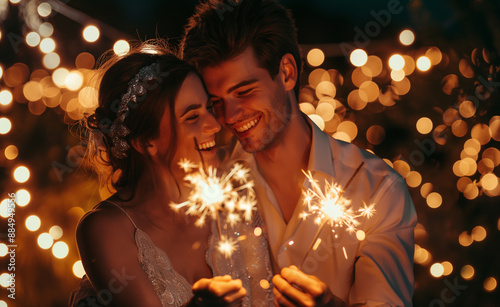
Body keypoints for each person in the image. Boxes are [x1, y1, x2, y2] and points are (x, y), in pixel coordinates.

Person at [180, 0, 417, 306]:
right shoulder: (207, 184)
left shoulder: (377, 189)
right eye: (216, 101)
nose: (229, 115)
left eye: (243, 91)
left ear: (287, 72)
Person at [69, 42, 274, 307]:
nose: (213, 125)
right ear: (146, 142)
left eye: (208, 108)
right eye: (192, 117)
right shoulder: (105, 229)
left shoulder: (237, 202)